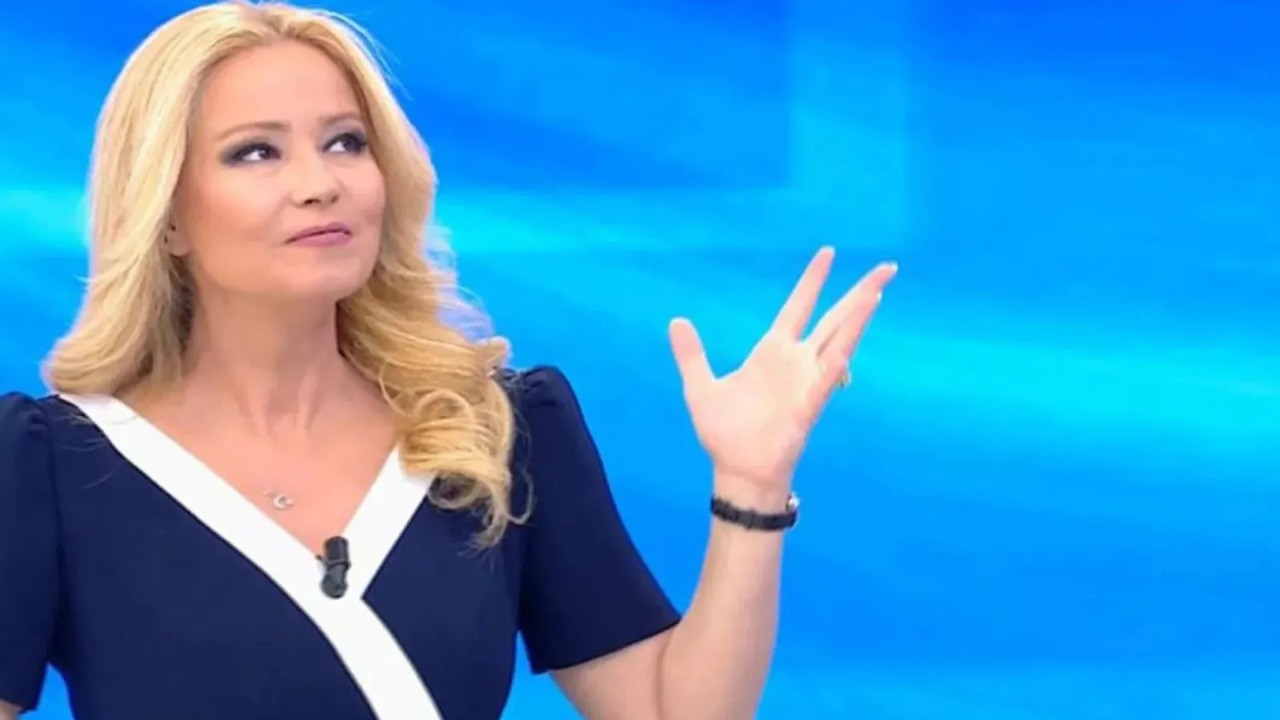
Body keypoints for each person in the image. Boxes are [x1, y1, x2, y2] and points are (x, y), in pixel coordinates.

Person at [0, 2, 896, 719]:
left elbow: (669, 712)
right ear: (166, 216)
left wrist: (752, 484)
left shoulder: (501, 433)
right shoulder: (51, 466)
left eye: (345, 141)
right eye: (256, 152)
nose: (321, 183)